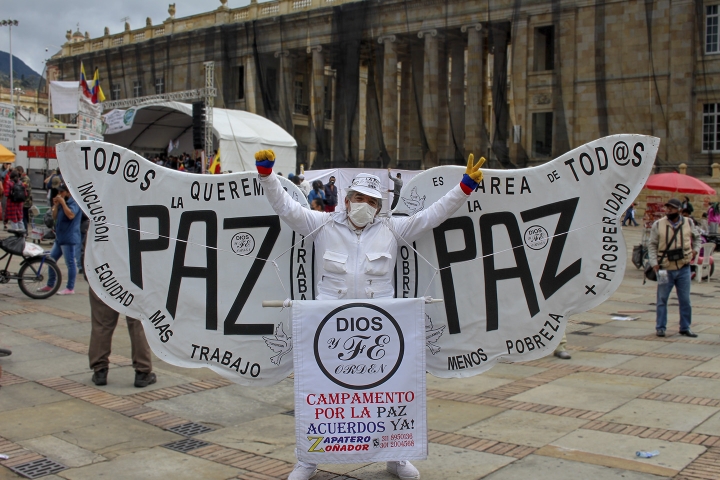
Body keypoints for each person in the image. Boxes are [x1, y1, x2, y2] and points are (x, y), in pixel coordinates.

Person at [255, 149, 485, 480]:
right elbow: (285, 208)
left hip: (381, 329)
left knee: (387, 392)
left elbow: (433, 216)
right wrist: (267, 177)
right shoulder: (320, 225)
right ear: (346, 200)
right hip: (329, 328)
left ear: (379, 206)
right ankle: (307, 458)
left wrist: (463, 188)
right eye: (358, 198)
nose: (364, 205)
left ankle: (396, 456)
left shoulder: (392, 229)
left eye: (371, 201)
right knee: (320, 392)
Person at [648, 198, 701, 338]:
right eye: (667, 208)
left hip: (683, 267)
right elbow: (652, 244)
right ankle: (660, 327)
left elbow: (698, 238)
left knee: (685, 300)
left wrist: (695, 251)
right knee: (662, 299)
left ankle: (685, 327)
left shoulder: (688, 222)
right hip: (665, 268)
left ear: (679, 210)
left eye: (672, 208)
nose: (669, 210)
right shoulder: (658, 224)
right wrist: (654, 262)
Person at [88, 287, 157, 387]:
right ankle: (142, 371)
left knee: (102, 324)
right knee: (138, 324)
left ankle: (100, 370)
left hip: (104, 277)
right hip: (134, 280)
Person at [38, 184, 81, 295]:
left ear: (68, 192)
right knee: (51, 260)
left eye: (62, 192)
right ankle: (50, 284)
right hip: (60, 236)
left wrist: (62, 203)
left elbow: (71, 215)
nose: (59, 194)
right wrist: (56, 206)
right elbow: (54, 216)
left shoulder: (74, 202)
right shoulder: (63, 203)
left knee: (70, 262)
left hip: (69, 237)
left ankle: (70, 288)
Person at [16, 166, 32, 231]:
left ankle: (25, 231)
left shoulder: (25, 179)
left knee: (24, 217)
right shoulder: (21, 178)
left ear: (20, 171)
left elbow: (25, 189)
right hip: (22, 201)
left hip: (26, 202)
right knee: (22, 217)